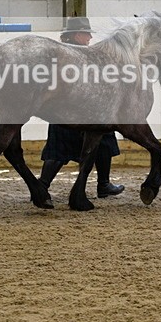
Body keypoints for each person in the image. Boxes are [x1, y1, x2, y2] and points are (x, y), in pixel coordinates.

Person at [38, 17, 125, 198]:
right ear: (78, 35)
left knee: (100, 142)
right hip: (73, 111)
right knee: (60, 151)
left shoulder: (61, 53)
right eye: (87, 34)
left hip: (67, 111)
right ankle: (102, 185)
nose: (89, 39)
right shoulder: (76, 55)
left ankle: (43, 186)